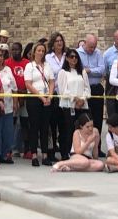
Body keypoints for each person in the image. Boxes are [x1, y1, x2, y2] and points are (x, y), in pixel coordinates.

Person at [23, 42, 54, 167]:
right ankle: (34, 154)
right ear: (34, 52)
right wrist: (41, 97)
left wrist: (50, 96)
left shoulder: (47, 65)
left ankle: (45, 154)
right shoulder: (29, 66)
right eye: (39, 50)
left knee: (45, 127)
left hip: (47, 98)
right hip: (34, 99)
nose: (41, 53)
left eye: (43, 51)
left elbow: (52, 81)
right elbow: (28, 84)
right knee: (34, 126)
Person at [56, 49, 91, 161]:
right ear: (67, 58)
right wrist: (75, 99)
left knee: (81, 130)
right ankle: (65, 153)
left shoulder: (82, 72)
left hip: (82, 105)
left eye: (75, 57)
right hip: (68, 105)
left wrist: (82, 99)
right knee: (68, 130)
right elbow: (62, 90)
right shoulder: (63, 72)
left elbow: (87, 89)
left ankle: (80, 152)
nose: (74, 59)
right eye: (71, 57)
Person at [0, 46, 18, 165]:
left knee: (8, 131)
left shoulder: (7, 70)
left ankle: (6, 154)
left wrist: (15, 103)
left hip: (8, 106)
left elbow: (14, 88)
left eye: (1, 56)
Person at [45, 32, 67, 163]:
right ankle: (51, 152)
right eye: (57, 41)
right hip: (53, 94)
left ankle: (65, 152)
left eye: (61, 41)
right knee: (52, 125)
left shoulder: (67, 56)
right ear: (52, 44)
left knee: (64, 125)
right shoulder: (48, 58)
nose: (59, 43)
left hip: (65, 94)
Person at [103, 30, 118, 118]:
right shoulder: (107, 54)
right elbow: (105, 72)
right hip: (112, 87)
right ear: (114, 39)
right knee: (112, 114)